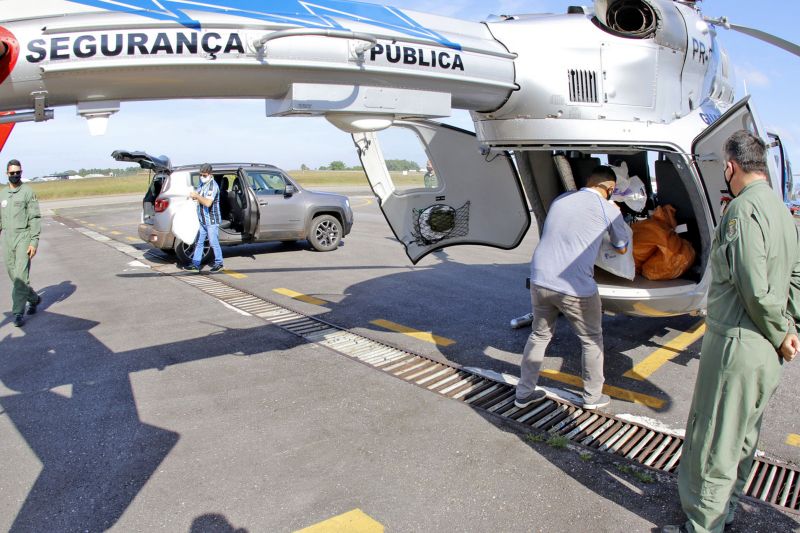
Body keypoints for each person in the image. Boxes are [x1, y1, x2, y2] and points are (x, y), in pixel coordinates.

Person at [665, 131, 800, 533]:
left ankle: (702, 526)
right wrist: (790, 328)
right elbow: (795, 277)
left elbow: (752, 284)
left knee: (714, 441)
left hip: (737, 343)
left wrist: (779, 331)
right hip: (765, 353)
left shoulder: (742, 211)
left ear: (731, 166)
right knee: (742, 439)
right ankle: (724, 513)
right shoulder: (782, 211)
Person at [515, 165, 628, 410]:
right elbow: (621, 247)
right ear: (609, 188)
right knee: (591, 339)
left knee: (539, 335)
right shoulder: (608, 208)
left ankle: (524, 392)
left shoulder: (562, 199)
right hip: (574, 286)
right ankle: (592, 397)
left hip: (540, 278)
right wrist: (615, 212)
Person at [0, 159, 41, 327]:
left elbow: (34, 217)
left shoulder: (27, 192)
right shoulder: (2, 194)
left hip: (23, 237)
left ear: (21, 172)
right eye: (12, 173)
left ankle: (17, 312)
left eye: (18, 172)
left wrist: (34, 241)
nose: (15, 175)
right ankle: (34, 298)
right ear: (6, 174)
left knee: (20, 277)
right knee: (12, 274)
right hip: (7, 239)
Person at [185, 163, 224, 273]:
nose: (202, 177)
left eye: (204, 175)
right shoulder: (202, 184)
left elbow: (207, 203)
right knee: (199, 242)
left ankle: (219, 263)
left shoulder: (213, 186)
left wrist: (197, 196)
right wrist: (193, 195)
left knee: (213, 242)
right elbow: (198, 195)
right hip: (202, 219)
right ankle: (195, 264)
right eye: (201, 175)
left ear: (210, 174)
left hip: (211, 220)